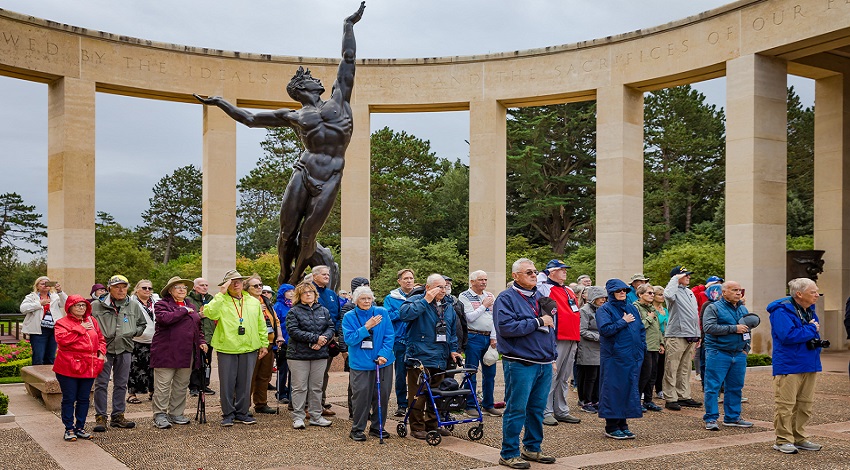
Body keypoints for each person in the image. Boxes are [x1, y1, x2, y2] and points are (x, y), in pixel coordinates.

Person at [195, 2, 366, 286]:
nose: (317, 79)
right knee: (287, 233)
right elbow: (250, 118)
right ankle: (284, 274)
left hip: (331, 175)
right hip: (304, 169)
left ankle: (294, 280)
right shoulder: (294, 115)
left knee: (308, 235)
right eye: (311, 79)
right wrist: (220, 102)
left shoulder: (339, 99)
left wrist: (348, 26)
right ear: (301, 88)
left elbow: (348, 58)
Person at [494, 259, 557, 469]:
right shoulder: (506, 298)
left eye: (535, 271)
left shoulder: (540, 296)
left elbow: (550, 330)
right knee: (516, 409)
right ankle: (509, 452)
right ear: (515, 276)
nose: (533, 275)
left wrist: (552, 355)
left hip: (543, 361)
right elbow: (506, 328)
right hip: (520, 361)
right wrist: (538, 322)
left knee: (537, 409)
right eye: (528, 272)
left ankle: (532, 448)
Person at [399, 273, 462, 440]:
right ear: (428, 288)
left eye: (444, 287)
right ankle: (417, 426)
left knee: (438, 393)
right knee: (418, 394)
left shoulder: (448, 305)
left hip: (441, 355)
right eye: (438, 287)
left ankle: (433, 424)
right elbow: (405, 315)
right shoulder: (416, 300)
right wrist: (425, 300)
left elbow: (452, 331)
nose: (443, 290)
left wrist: (453, 349)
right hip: (419, 355)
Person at [204, 269, 269, 427]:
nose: (236, 284)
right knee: (227, 383)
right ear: (226, 285)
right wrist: (220, 294)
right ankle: (228, 414)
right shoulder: (221, 300)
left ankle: (242, 412)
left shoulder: (253, 301)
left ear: (243, 283)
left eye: (239, 281)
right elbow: (209, 313)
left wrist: (264, 343)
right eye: (232, 282)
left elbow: (261, 324)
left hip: (249, 347)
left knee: (245, 383)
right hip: (227, 347)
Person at [767, 278, 824, 454]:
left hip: (809, 363)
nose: (817, 295)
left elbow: (806, 333)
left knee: (805, 404)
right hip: (789, 365)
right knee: (786, 404)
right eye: (813, 292)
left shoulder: (809, 310)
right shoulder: (781, 310)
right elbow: (788, 336)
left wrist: (811, 332)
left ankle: (799, 437)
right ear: (799, 294)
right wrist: (811, 329)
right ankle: (783, 440)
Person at [90, 275, 147, 432]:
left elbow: (143, 323)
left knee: (121, 383)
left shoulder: (133, 305)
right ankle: (100, 417)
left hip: (125, 347)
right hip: (104, 349)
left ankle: (118, 416)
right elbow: (87, 324)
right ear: (109, 288)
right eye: (117, 287)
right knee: (101, 384)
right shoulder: (96, 305)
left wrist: (132, 332)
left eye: (124, 287)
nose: (121, 290)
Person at [151, 277, 207, 429]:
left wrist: (201, 341)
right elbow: (164, 319)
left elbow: (197, 327)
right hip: (166, 352)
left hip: (187, 352)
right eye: (178, 287)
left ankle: (176, 413)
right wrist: (182, 310)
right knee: (163, 386)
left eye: (184, 287)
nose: (182, 290)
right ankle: (160, 414)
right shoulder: (162, 304)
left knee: (181, 385)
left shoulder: (191, 305)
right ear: (170, 290)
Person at [342, 285, 394, 441]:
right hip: (360, 363)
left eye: (369, 298)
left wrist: (384, 354)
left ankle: (378, 427)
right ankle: (357, 429)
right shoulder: (349, 317)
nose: (366, 301)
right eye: (363, 298)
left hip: (382, 362)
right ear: (356, 300)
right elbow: (350, 339)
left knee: (382, 395)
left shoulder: (382, 312)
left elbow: (389, 335)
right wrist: (366, 327)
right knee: (361, 397)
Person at [702, 280, 755, 431]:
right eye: (734, 290)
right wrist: (734, 329)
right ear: (724, 292)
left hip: (738, 354)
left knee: (735, 387)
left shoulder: (743, 309)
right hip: (718, 352)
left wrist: (746, 349)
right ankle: (711, 419)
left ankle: (732, 418)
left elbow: (748, 329)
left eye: (740, 290)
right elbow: (709, 327)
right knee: (713, 387)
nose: (739, 293)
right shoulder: (713, 307)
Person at [597, 279, 645, 440]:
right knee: (613, 389)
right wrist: (623, 321)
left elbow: (640, 329)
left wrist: (641, 348)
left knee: (628, 389)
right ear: (611, 293)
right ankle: (611, 426)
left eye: (624, 290)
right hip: (614, 357)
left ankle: (623, 423)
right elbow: (605, 330)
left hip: (631, 357)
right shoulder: (604, 309)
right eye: (619, 291)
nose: (622, 292)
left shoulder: (631, 307)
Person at [53, 295, 106, 441]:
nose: (81, 308)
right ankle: (69, 428)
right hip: (68, 366)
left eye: (84, 305)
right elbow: (62, 341)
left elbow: (101, 339)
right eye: (78, 305)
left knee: (84, 398)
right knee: (69, 398)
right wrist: (79, 329)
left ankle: (80, 427)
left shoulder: (92, 321)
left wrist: (101, 353)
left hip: (89, 365)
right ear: (70, 307)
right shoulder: (61, 323)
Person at [537, 259, 582, 426]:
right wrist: (546, 272)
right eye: (560, 269)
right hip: (557, 336)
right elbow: (537, 281)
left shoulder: (569, 289)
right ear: (551, 272)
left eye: (565, 269)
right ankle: (546, 410)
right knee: (552, 375)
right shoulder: (545, 287)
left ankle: (561, 409)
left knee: (564, 376)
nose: (565, 272)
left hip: (572, 335)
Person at [286, 282, 335, 429]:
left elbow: (331, 327)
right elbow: (293, 331)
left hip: (319, 353)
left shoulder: (324, 310)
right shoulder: (294, 311)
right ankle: (298, 417)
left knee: (316, 387)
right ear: (299, 296)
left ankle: (316, 416)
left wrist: (322, 340)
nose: (308, 294)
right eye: (304, 292)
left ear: (315, 294)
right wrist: (315, 338)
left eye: (311, 292)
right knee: (299, 387)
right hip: (298, 355)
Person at [458, 270, 501, 417]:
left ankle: (488, 404)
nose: (483, 282)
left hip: (488, 337)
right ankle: (470, 404)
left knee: (490, 373)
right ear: (472, 281)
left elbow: (494, 317)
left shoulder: (489, 296)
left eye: (485, 279)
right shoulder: (464, 296)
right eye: (480, 279)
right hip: (473, 336)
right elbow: (469, 318)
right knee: (471, 372)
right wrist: (483, 306)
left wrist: (494, 337)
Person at [662, 266, 702, 411]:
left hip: (690, 335)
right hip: (676, 335)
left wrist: (698, 334)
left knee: (685, 368)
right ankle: (670, 397)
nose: (689, 277)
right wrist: (675, 279)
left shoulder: (689, 292)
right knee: (672, 368)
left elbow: (694, 315)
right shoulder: (673, 291)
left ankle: (683, 395)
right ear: (677, 277)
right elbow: (667, 294)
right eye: (685, 275)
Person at [245, 274, 284, 415]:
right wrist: (255, 311)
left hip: (269, 342)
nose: (259, 288)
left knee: (264, 375)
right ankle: (244, 405)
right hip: (252, 344)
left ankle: (261, 403)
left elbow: (276, 320)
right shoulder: (244, 301)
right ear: (247, 288)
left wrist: (279, 335)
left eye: (260, 285)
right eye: (255, 286)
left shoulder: (266, 301)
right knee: (249, 375)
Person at [384, 268, 415, 417]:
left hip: (416, 340)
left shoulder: (420, 296)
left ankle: (415, 403)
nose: (409, 281)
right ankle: (401, 404)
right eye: (405, 278)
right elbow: (387, 316)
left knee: (417, 373)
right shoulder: (391, 298)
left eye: (411, 278)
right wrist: (405, 310)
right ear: (399, 281)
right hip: (400, 340)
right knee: (401, 374)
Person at [311, 265, 340, 417]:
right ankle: (307, 405)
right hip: (313, 340)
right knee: (311, 375)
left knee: (324, 374)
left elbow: (337, 316)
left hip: (329, 339)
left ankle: (320, 404)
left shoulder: (331, 294)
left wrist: (333, 335)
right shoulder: (308, 291)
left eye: (328, 274)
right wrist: (317, 338)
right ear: (314, 276)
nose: (327, 277)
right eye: (324, 274)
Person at [20, 276, 67, 365]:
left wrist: (60, 291)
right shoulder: (31, 297)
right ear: (37, 286)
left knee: (50, 357)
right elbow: (23, 309)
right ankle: (36, 377)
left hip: (53, 330)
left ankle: (48, 377)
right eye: (42, 284)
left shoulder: (55, 297)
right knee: (38, 357)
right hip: (39, 331)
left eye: (47, 284)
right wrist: (39, 303)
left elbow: (65, 303)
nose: (45, 286)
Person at [633, 284, 664, 412]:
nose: (652, 295)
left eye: (652, 293)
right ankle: (636, 401)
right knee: (643, 374)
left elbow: (657, 327)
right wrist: (649, 318)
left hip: (654, 345)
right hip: (644, 345)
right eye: (649, 293)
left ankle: (648, 400)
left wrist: (661, 343)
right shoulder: (636, 307)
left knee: (653, 375)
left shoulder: (652, 307)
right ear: (640, 295)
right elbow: (638, 326)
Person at [576, 286, 605, 413]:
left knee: (598, 375)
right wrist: (599, 337)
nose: (603, 299)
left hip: (599, 347)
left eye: (605, 297)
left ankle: (596, 399)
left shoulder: (601, 310)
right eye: (601, 297)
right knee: (590, 376)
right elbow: (582, 330)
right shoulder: (584, 310)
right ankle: (586, 401)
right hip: (588, 347)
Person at [127, 279, 156, 405]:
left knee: (153, 367)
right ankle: (132, 394)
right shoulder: (131, 302)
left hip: (154, 339)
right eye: (144, 288)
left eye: (150, 288)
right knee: (134, 367)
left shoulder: (155, 301)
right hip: (136, 339)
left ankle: (152, 391)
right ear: (137, 289)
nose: (147, 290)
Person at [188, 277, 216, 397]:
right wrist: (198, 315)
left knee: (207, 361)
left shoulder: (211, 299)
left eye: (206, 285)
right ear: (194, 287)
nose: (204, 287)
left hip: (209, 335)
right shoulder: (189, 300)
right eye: (201, 285)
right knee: (195, 362)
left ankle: (204, 384)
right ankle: (194, 386)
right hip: (195, 336)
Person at [273, 283, 296, 404]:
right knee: (283, 369)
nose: (291, 293)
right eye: (288, 291)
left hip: (295, 342)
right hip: (283, 342)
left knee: (294, 370)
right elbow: (276, 323)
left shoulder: (296, 305)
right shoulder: (278, 306)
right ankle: (281, 392)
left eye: (293, 290)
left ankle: (291, 392)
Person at [652, 285, 669, 399]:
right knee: (653, 366)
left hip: (666, 337)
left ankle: (660, 389)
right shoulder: (651, 310)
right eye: (659, 294)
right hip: (655, 338)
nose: (662, 297)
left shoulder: (666, 310)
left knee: (663, 366)